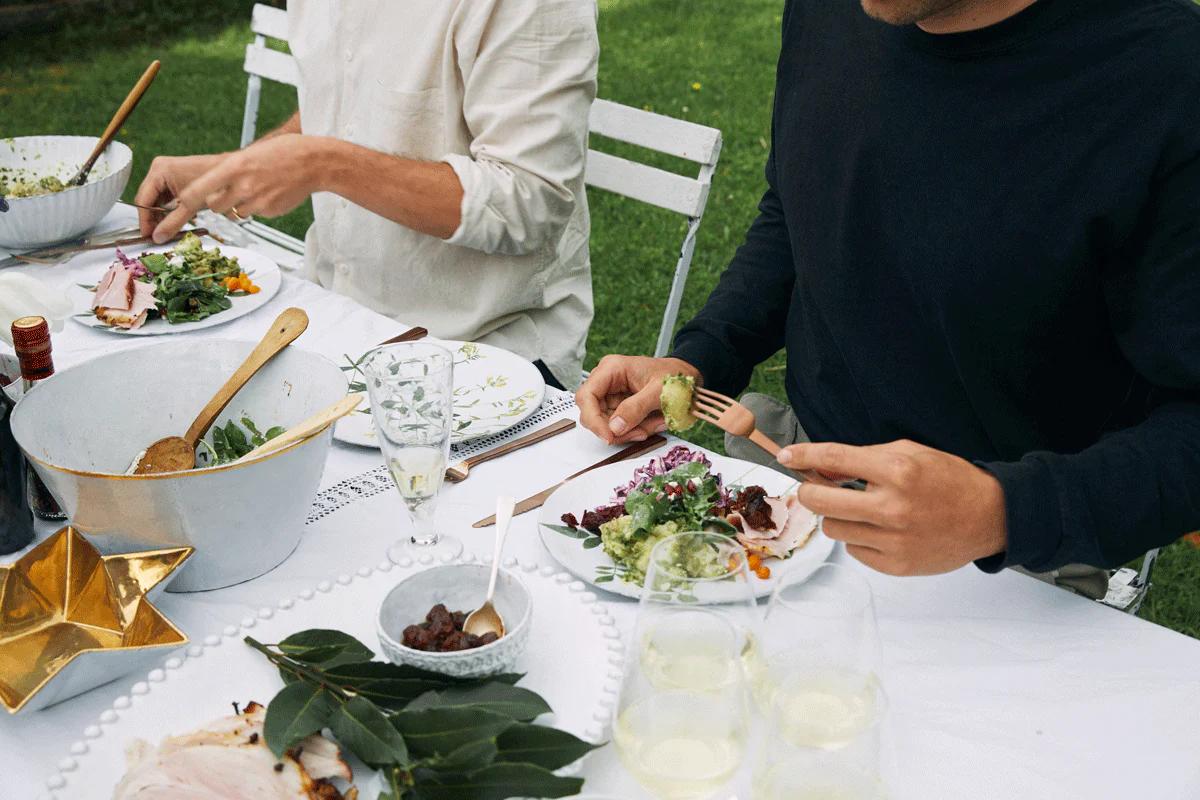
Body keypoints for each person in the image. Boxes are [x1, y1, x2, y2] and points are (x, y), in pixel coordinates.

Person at [577, 0, 1200, 594]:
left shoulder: (1166, 74)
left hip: (1015, 563)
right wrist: (701, 358)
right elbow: (800, 209)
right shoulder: (830, 12)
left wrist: (1001, 511)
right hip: (789, 480)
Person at [135, 0, 598, 390]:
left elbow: (528, 202)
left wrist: (322, 164)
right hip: (330, 318)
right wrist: (228, 171)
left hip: (483, 357)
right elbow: (345, 103)